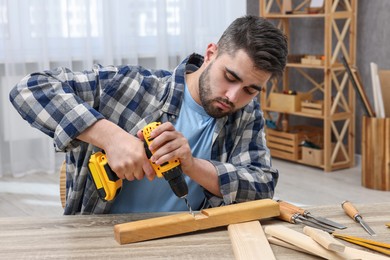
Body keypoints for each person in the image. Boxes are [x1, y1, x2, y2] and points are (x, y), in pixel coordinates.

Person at [9, 15, 288, 215]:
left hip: (190, 239)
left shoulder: (246, 113)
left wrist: (192, 165)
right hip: (104, 240)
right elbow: (29, 89)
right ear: (211, 53)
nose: (233, 97)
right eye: (230, 77)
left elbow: (262, 186)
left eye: (250, 89)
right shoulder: (132, 86)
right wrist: (111, 137)